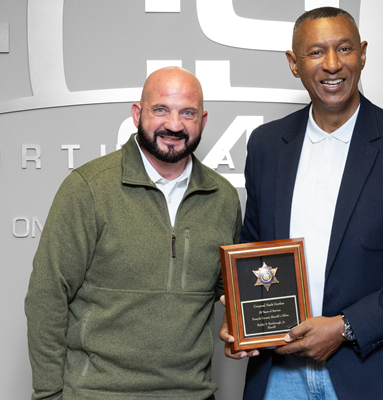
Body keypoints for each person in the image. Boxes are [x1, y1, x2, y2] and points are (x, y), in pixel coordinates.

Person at [219, 7, 383, 400]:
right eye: (316, 52)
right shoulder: (266, 145)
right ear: (294, 63)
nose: (332, 64)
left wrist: (345, 327)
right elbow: (254, 250)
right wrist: (240, 319)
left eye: (344, 48)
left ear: (362, 54)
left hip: (371, 375)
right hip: (279, 375)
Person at [26, 66, 242, 400]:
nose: (174, 125)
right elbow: (47, 295)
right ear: (137, 114)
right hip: (98, 394)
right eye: (161, 110)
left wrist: (243, 323)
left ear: (203, 120)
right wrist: (49, 394)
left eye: (187, 113)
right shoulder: (88, 188)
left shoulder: (223, 198)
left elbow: (228, 290)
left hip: (193, 394)